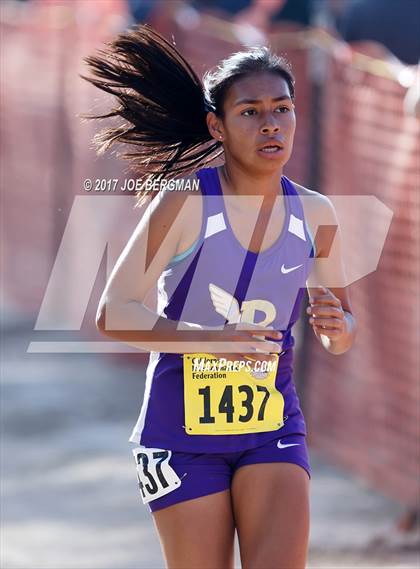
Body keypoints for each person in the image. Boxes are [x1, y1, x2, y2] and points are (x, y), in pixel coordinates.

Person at [84, 24, 356, 569]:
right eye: (250, 112)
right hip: (180, 433)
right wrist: (212, 340)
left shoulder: (317, 213)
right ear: (218, 125)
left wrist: (338, 327)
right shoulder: (185, 202)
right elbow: (114, 311)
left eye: (282, 108)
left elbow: (342, 333)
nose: (270, 124)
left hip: (272, 428)